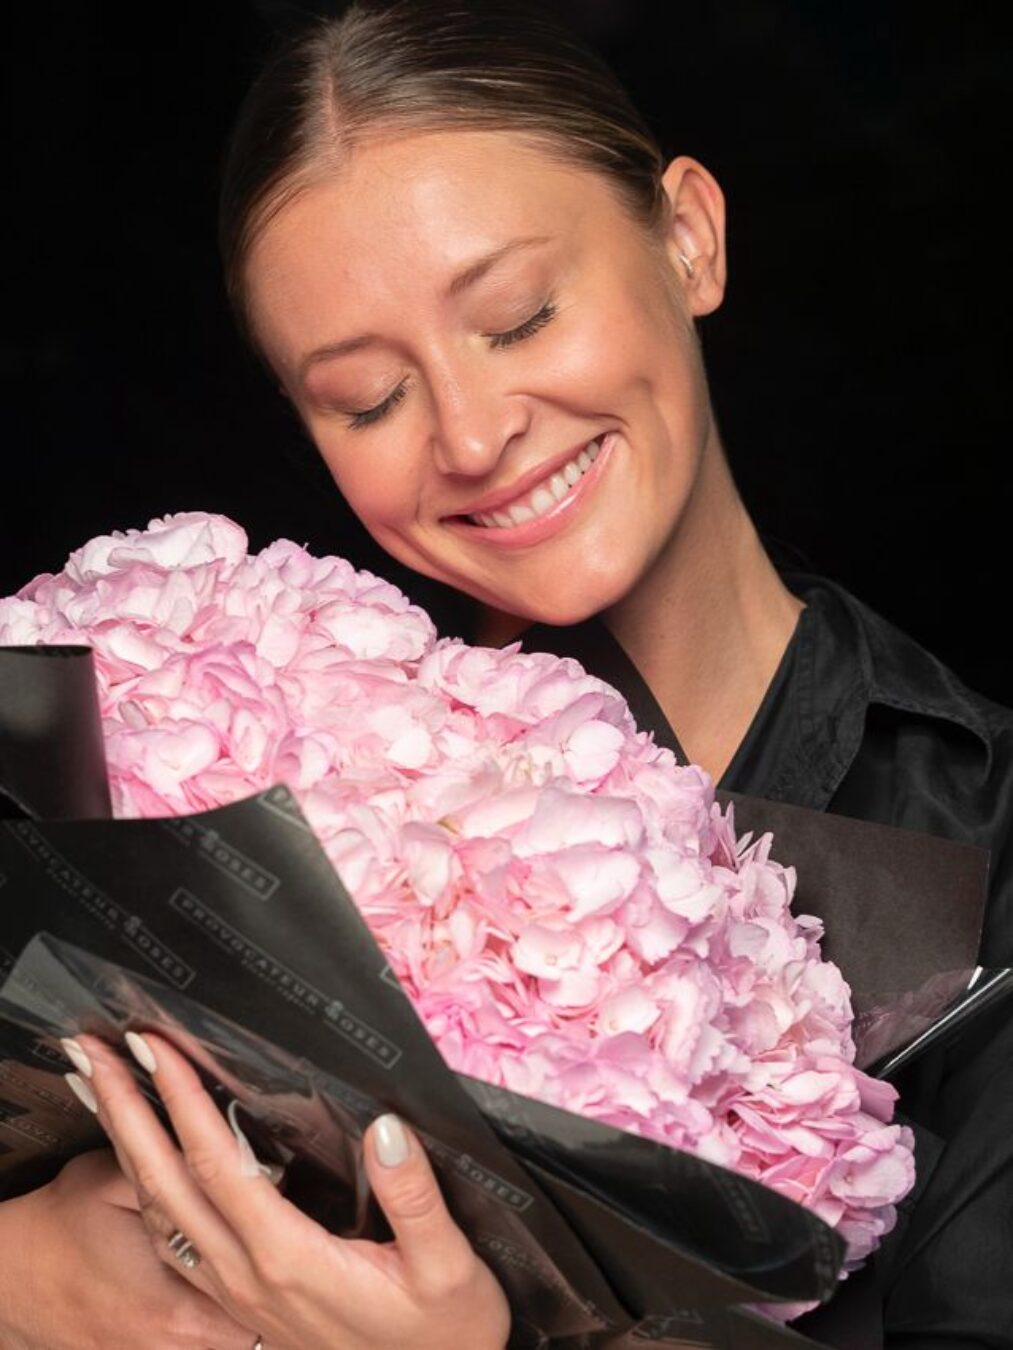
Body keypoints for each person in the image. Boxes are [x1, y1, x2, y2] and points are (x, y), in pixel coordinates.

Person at [2, 2, 1011, 1347]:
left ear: (688, 235)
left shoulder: (983, 840)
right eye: (365, 398)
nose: (472, 437)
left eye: (520, 315)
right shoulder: (188, 745)